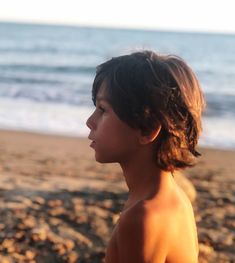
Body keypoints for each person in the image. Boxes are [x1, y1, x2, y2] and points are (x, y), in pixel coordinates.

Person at [86, 50, 205, 263]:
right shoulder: (172, 196)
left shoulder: (144, 217)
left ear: (147, 129)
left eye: (103, 110)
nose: (90, 121)